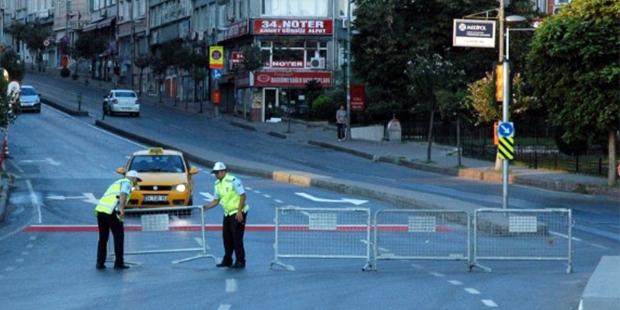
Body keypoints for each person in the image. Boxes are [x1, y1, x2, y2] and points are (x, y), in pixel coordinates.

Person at [204, 162, 249, 269]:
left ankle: (240, 261)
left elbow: (243, 196)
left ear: (223, 171)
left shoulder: (233, 180)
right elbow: (216, 200)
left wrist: (239, 211)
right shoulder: (217, 184)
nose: (216, 175)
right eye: (214, 173)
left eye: (217, 172)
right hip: (227, 213)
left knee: (237, 237)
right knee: (227, 237)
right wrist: (206, 207)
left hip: (238, 212)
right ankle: (228, 260)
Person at [94, 170, 141, 270]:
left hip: (101, 211)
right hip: (112, 212)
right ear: (133, 178)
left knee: (103, 239)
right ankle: (119, 263)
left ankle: (100, 263)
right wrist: (121, 209)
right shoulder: (127, 183)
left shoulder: (117, 182)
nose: (137, 182)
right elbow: (123, 194)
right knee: (118, 237)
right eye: (137, 180)